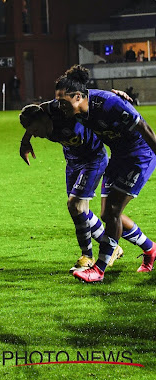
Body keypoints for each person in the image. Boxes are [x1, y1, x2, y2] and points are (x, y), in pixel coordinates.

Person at [19, 100, 155, 272]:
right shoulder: (43, 121)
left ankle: (88, 257)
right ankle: (139, 247)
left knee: (78, 206)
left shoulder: (61, 110)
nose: (36, 135)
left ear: (45, 119)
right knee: (81, 210)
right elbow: (36, 113)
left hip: (94, 159)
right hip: (73, 162)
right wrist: (25, 141)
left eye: (36, 130)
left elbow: (82, 101)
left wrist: (120, 100)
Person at [54, 65, 156, 282]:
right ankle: (151, 249)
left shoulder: (110, 104)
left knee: (114, 210)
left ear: (79, 97)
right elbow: (43, 110)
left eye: (63, 102)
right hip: (118, 155)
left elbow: (144, 128)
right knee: (107, 215)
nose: (59, 106)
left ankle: (98, 269)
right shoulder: (74, 108)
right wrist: (26, 140)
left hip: (139, 156)